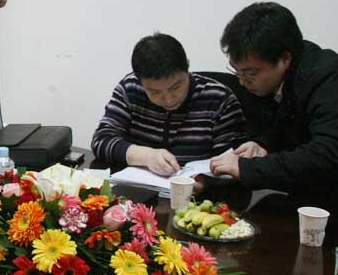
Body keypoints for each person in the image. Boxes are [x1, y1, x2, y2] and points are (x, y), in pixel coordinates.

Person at [210, 2, 338, 222]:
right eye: (237, 72)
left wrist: (248, 169)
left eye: (250, 73)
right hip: (317, 192)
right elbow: (288, 121)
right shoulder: (276, 78)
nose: (242, 82)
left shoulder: (330, 79)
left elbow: (329, 154)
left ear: (285, 59)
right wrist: (263, 144)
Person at [92, 33, 247, 176]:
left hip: (199, 193)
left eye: (175, 87)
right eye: (154, 91)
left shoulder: (219, 99)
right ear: (140, 81)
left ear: (187, 68)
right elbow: (101, 140)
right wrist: (146, 156)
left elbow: (234, 164)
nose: (168, 99)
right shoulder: (130, 88)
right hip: (138, 191)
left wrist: (203, 182)